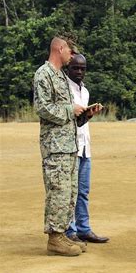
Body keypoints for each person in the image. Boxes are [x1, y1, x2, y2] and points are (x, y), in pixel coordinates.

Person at [33, 35, 95, 256]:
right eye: (70, 51)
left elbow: (69, 115)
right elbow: (43, 108)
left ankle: (65, 235)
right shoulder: (44, 74)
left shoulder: (60, 77)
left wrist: (84, 114)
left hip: (70, 145)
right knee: (58, 191)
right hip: (55, 146)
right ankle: (55, 238)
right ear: (59, 49)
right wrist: (71, 109)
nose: (72, 55)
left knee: (70, 192)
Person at [65, 54, 109, 244]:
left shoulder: (85, 91)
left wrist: (89, 114)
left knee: (83, 191)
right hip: (70, 147)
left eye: (83, 68)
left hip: (85, 147)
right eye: (76, 68)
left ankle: (84, 228)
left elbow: (80, 122)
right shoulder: (63, 89)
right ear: (68, 68)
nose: (80, 72)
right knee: (70, 192)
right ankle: (69, 231)